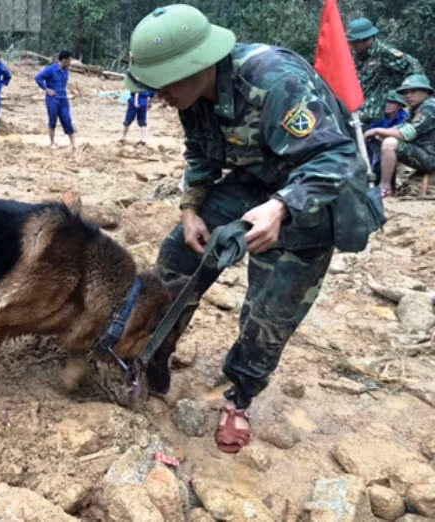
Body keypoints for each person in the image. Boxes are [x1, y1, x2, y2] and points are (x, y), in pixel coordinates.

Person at [125, 4, 378, 454]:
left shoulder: (275, 80)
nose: (158, 96)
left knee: (269, 310)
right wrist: (190, 208)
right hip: (252, 183)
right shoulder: (189, 96)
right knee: (176, 258)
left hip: (311, 198)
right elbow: (200, 155)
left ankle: (239, 398)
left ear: (196, 66)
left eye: (162, 84)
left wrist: (280, 208)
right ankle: (152, 350)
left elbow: (338, 158)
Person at [365, 74, 435, 198]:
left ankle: (385, 188)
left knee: (390, 143)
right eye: (405, 93)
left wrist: (376, 130)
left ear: (426, 91)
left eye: (413, 91)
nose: (408, 96)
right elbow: (398, 127)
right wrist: (376, 133)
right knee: (381, 139)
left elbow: (405, 133)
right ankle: (380, 183)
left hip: (430, 157)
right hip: (425, 154)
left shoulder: (429, 107)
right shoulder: (417, 108)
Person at [346, 17, 423, 126]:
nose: (351, 45)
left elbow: (413, 65)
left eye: (354, 42)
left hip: (371, 114)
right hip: (354, 109)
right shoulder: (357, 54)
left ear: (365, 39)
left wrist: (413, 99)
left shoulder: (384, 53)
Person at [35, 50, 76, 150]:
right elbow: (38, 78)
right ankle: (52, 143)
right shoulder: (51, 70)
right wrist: (46, 89)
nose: (70, 62)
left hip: (63, 99)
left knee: (67, 120)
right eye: (69, 60)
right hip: (52, 99)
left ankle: (73, 143)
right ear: (64, 60)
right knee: (52, 120)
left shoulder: (66, 70)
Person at [365, 90, 408, 182]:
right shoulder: (379, 116)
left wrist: (380, 135)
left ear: (400, 105)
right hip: (377, 146)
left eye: (392, 102)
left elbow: (404, 135)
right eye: (386, 102)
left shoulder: (405, 117)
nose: (387, 105)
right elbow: (371, 134)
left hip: (397, 148)